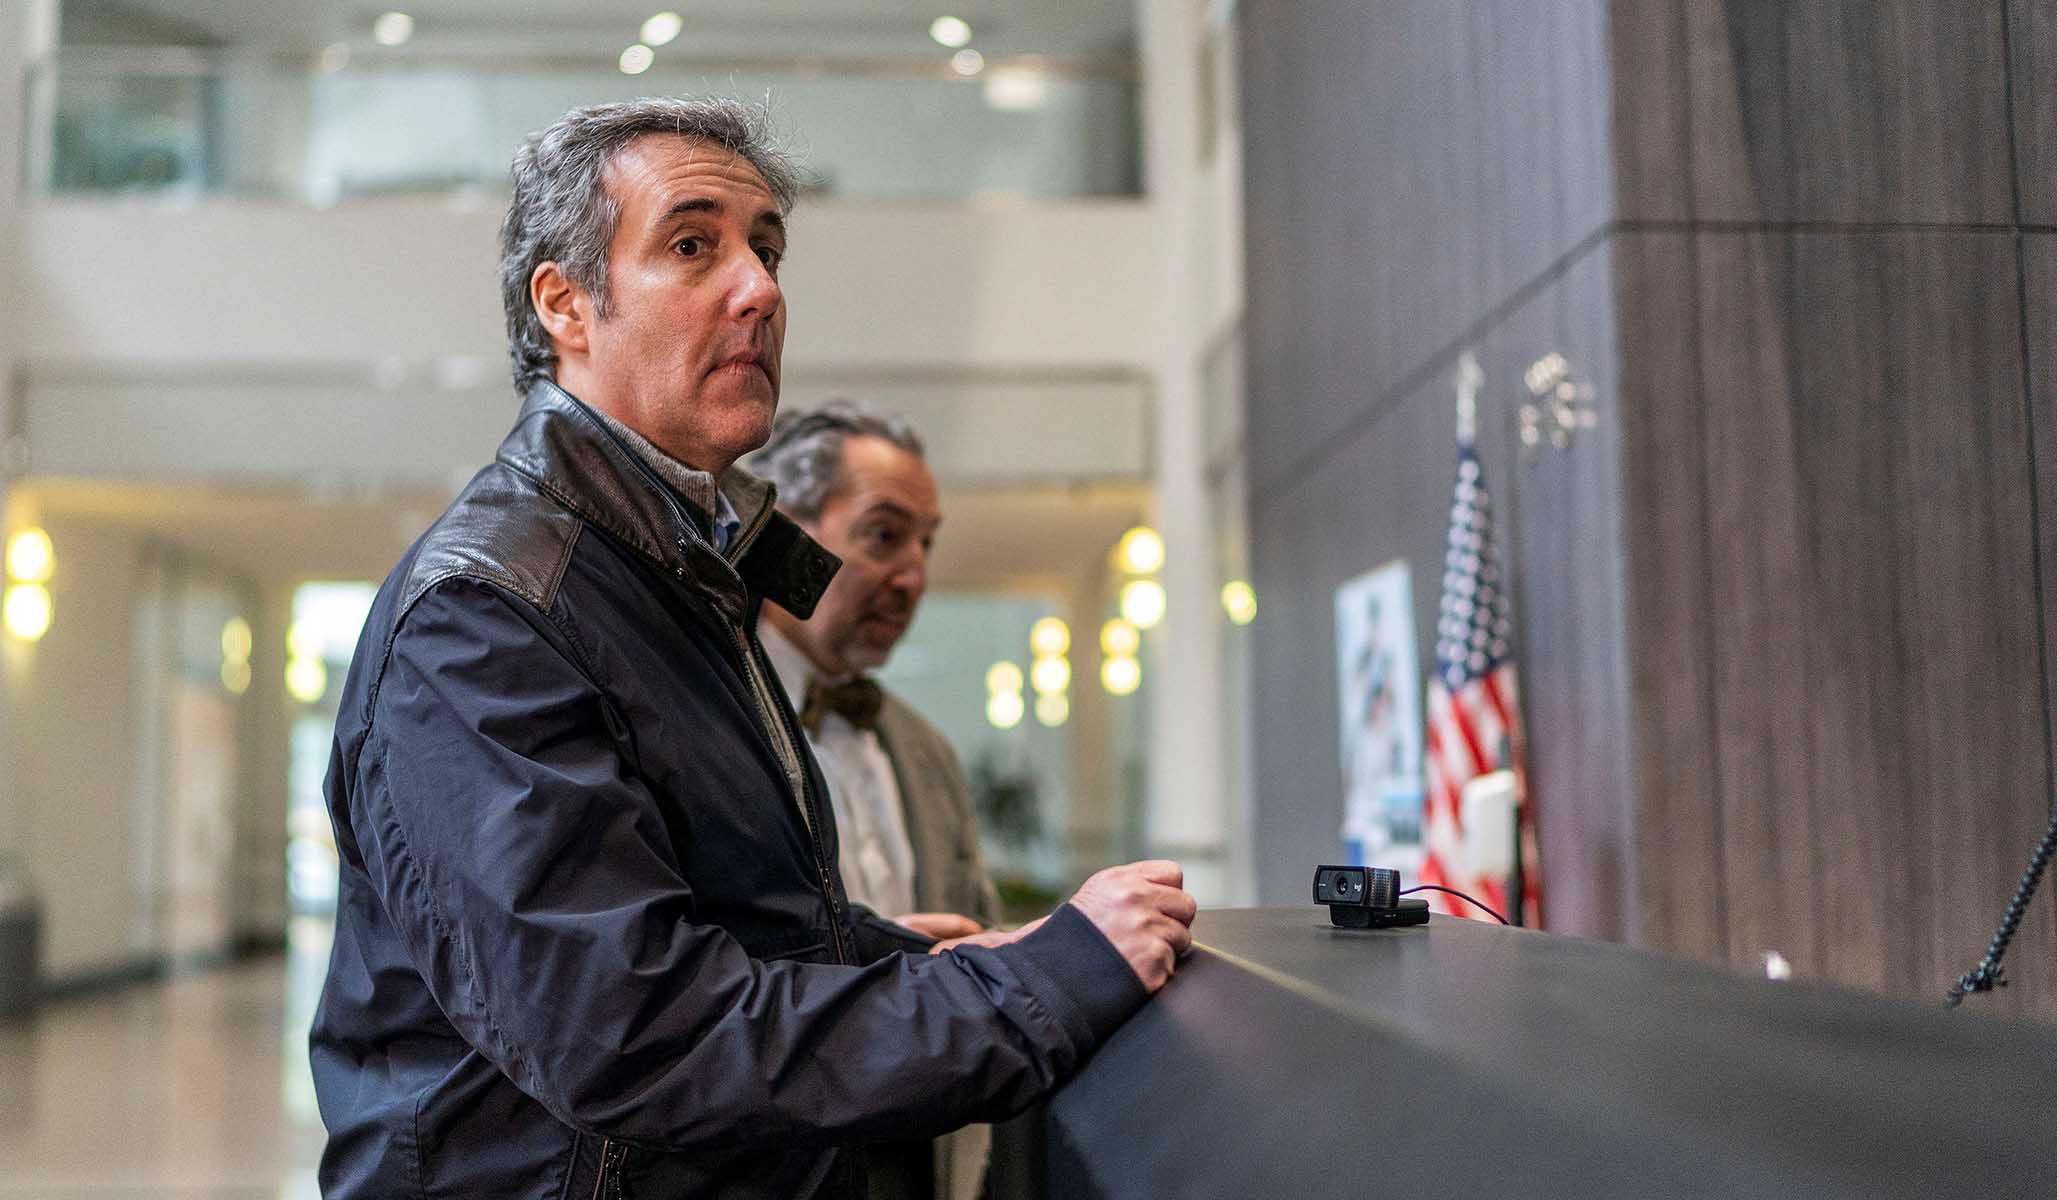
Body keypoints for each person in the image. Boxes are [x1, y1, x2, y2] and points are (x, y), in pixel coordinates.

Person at [308, 96, 1196, 1200]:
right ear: (565, 304)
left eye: (765, 250)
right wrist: (1043, 986)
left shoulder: (676, 566)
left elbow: (707, 909)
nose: (760, 290)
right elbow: (635, 1034)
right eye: (692, 246)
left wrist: (896, 961)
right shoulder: (487, 612)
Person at [750, 402, 1001, 1200]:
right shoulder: (702, 724)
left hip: (920, 1157)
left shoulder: (926, 750)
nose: (914, 576)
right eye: (885, 536)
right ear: (781, 534)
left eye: (926, 543)